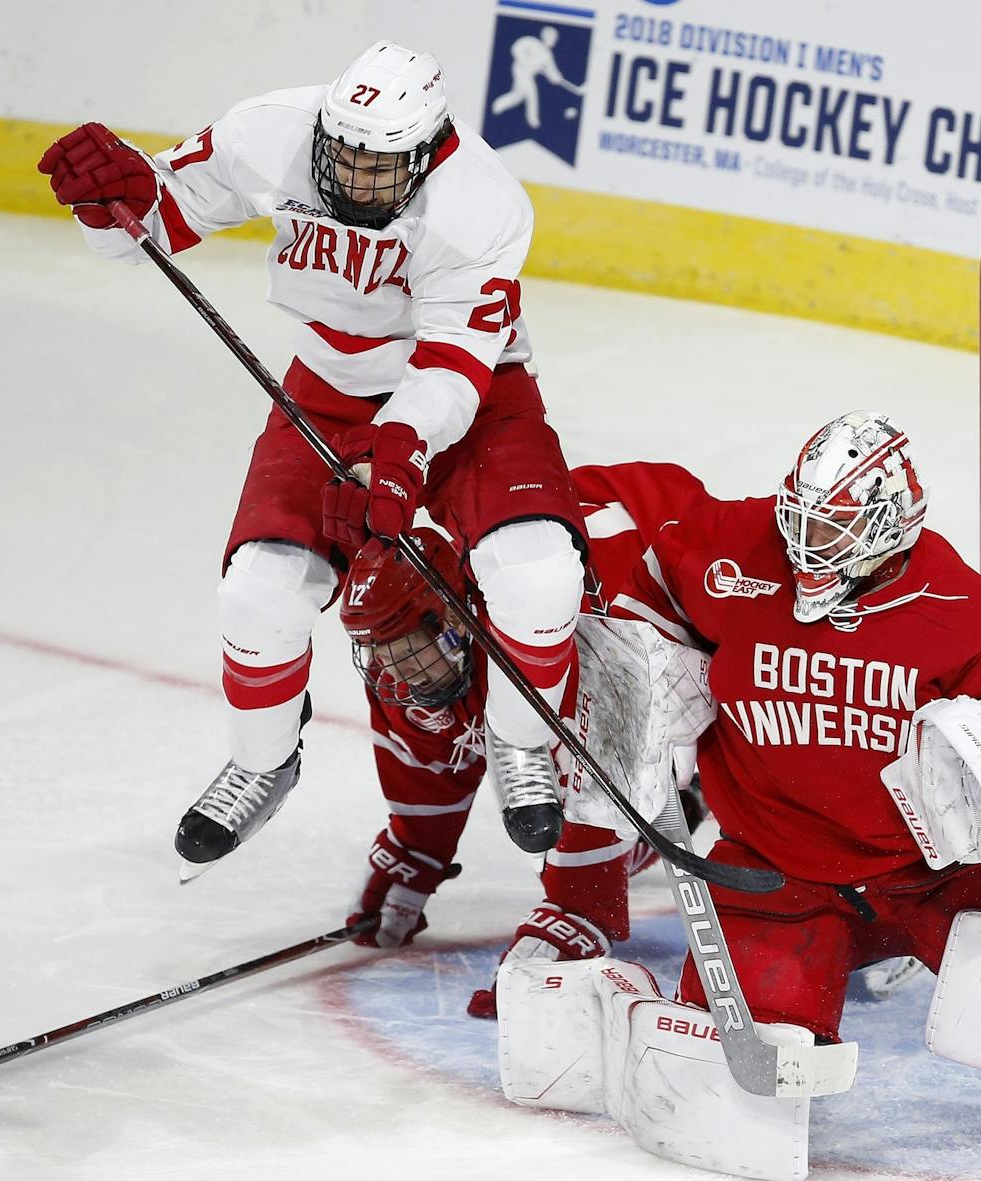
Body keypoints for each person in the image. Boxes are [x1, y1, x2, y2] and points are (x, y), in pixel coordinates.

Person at [494, 413, 981, 1179]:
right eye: (805, 522)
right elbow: (652, 566)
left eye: (838, 529)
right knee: (727, 1103)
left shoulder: (964, 615)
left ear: (891, 530)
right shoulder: (735, 552)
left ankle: (923, 946)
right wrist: (651, 650)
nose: (811, 546)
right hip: (775, 877)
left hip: (935, 877)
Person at [36, 41, 589, 874]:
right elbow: (152, 225)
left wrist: (403, 449)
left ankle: (521, 744)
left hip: (470, 392)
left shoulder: (481, 204)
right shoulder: (272, 132)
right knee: (259, 588)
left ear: (428, 150)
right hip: (327, 386)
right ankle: (263, 760)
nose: (354, 178)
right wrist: (114, 200)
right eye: (345, 155)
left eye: (380, 166)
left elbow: (452, 366)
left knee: (537, 569)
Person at [336, 460, 715, 1017]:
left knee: (746, 727)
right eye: (377, 650)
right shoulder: (408, 668)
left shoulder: (561, 634)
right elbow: (432, 765)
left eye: (405, 644)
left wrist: (578, 907)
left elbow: (603, 753)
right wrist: (416, 853)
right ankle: (681, 802)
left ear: (455, 619)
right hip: (568, 579)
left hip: (674, 553)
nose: (393, 670)